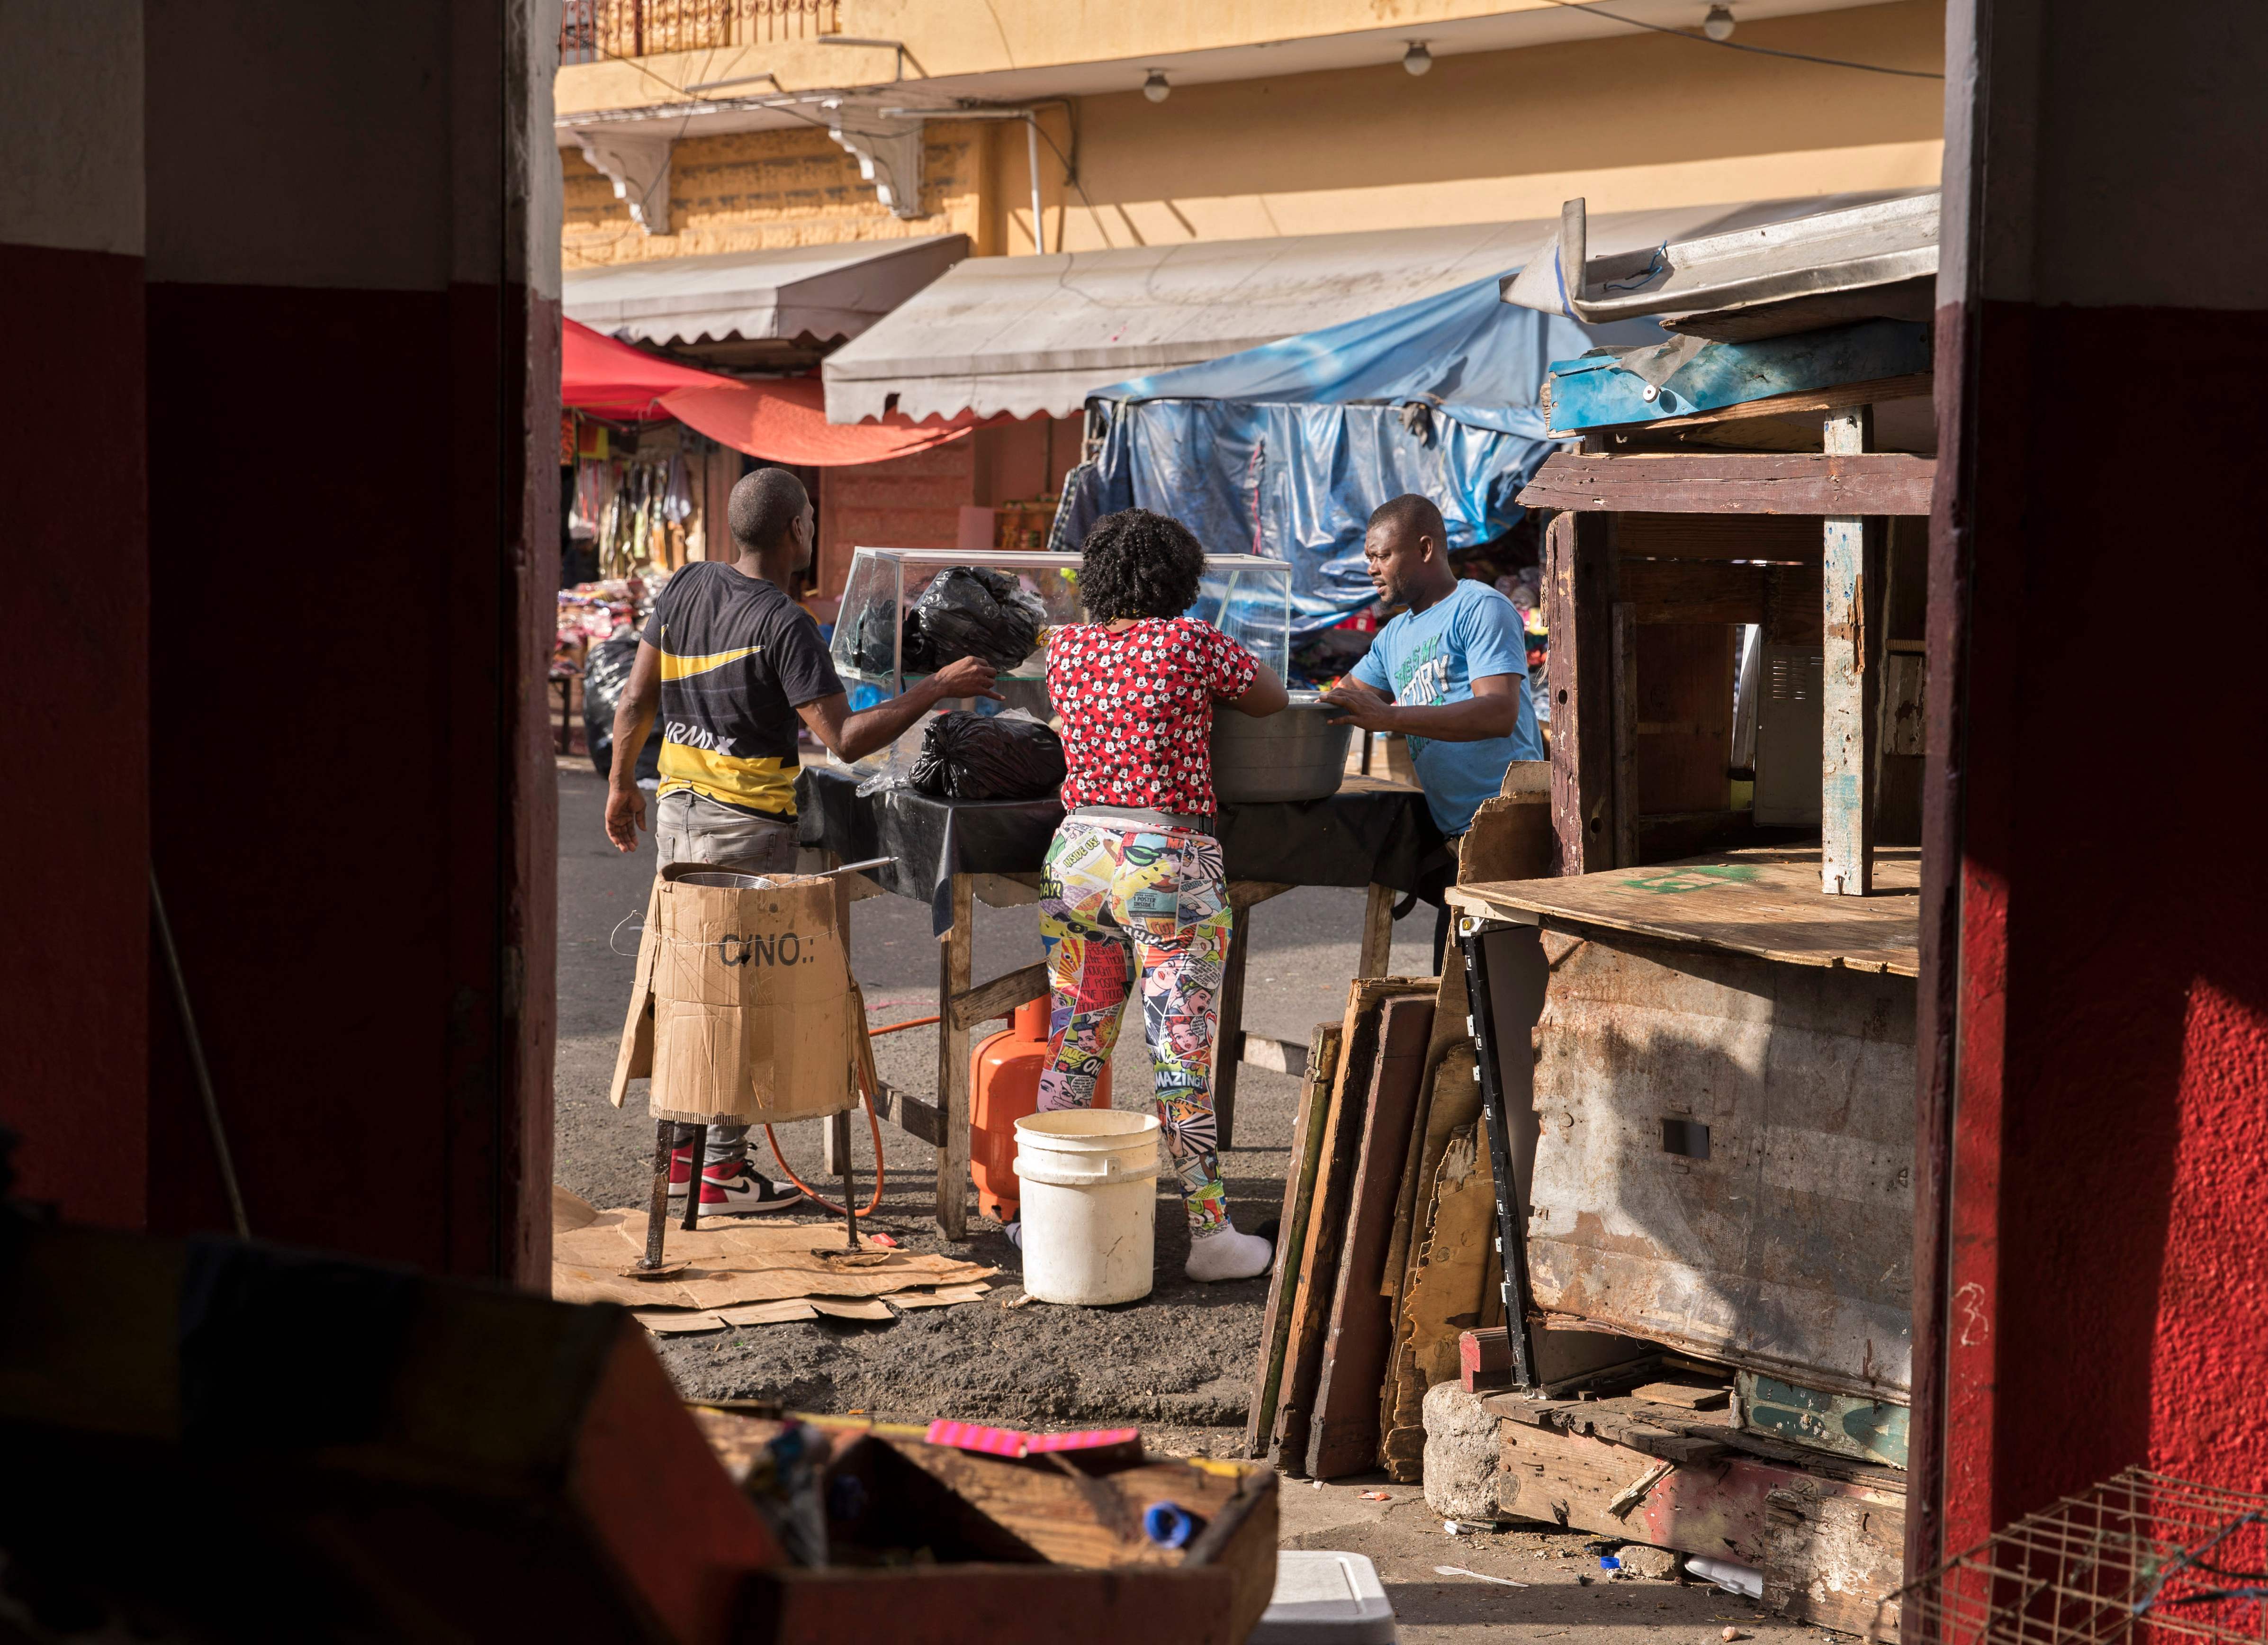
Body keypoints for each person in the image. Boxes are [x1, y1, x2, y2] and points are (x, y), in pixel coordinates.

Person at [606, 467, 1001, 1216]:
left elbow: (635, 698)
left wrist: (623, 785)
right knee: (739, 1000)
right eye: (812, 519)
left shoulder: (685, 585)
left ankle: (687, 1163)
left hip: (679, 817)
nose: (814, 530)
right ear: (798, 531)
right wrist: (935, 689)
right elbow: (845, 740)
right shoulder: (784, 624)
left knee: (688, 989)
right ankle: (720, 1172)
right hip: (744, 835)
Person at [1037, 508, 1291, 1283]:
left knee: (1076, 1038)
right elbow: (1273, 698)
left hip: (1077, 857)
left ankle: (1049, 1217)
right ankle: (1210, 1234)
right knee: (1178, 1054)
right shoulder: (1190, 643)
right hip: (1165, 858)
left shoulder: (1066, 649)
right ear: (1178, 578)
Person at [1320, 494, 1545, 962]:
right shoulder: (1395, 637)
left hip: (1510, 828)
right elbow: (1341, 699)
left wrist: (1392, 718)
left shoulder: (1480, 607)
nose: (1372, 568)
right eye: (1369, 557)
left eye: (1382, 555)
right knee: (1462, 982)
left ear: (1425, 549)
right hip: (1460, 839)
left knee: (1491, 989)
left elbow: (1497, 713)